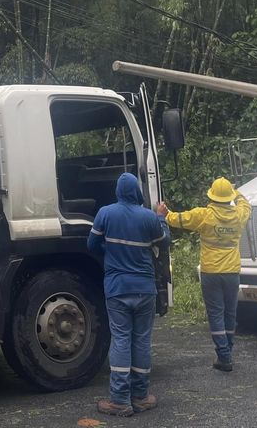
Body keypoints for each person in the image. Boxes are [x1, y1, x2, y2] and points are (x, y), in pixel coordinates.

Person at [88, 172, 170, 417]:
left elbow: (92, 245)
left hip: (117, 289)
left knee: (121, 339)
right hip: (145, 289)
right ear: (137, 192)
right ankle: (141, 397)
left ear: (117, 191)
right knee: (141, 341)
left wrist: (110, 249)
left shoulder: (105, 213)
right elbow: (164, 242)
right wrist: (161, 217)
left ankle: (120, 400)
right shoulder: (148, 217)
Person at [155, 177, 251, 372]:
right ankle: (227, 351)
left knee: (215, 313)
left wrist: (164, 213)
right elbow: (246, 205)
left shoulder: (204, 215)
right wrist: (236, 191)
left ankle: (223, 356)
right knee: (230, 313)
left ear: (212, 197)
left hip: (211, 272)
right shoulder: (239, 215)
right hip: (232, 272)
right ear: (229, 197)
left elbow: (177, 219)